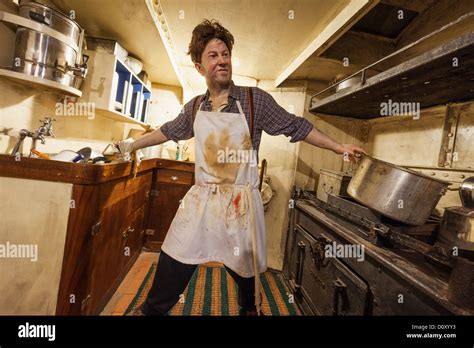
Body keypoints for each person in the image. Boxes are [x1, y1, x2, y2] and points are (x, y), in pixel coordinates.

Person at [117, 19, 366, 316]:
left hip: (239, 204)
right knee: (176, 253)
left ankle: (250, 310)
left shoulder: (253, 99)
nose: (222, 60)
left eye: (225, 54)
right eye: (213, 55)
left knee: (245, 271)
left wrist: (339, 147)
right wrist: (132, 145)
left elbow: (296, 127)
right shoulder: (196, 107)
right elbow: (169, 130)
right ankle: (151, 312)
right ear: (199, 66)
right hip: (202, 200)